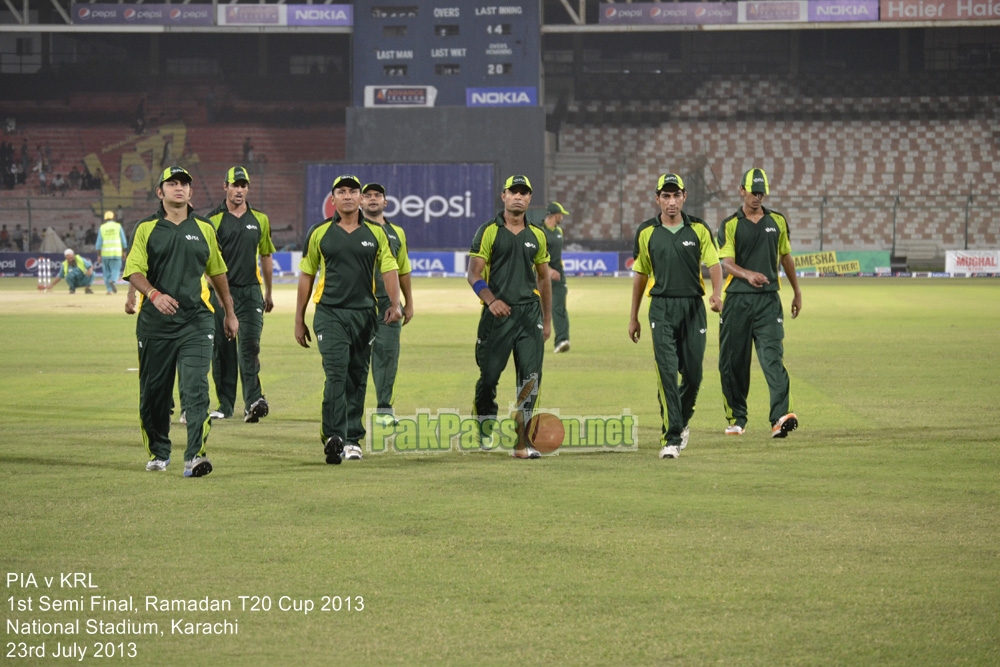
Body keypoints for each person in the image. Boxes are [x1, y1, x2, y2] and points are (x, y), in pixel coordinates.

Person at [123, 166, 239, 477]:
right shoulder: (146, 228)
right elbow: (134, 270)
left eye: (184, 184)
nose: (179, 188)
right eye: (171, 183)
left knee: (196, 387)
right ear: (160, 192)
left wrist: (229, 311)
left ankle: (195, 456)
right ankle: (159, 452)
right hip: (155, 325)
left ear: (191, 193)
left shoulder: (204, 228)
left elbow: (217, 273)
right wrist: (153, 295)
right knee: (154, 394)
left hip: (197, 321)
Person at [295, 175, 402, 465]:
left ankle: (352, 438)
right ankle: (333, 435)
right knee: (336, 372)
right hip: (329, 313)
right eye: (341, 191)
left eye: (353, 191)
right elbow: (307, 274)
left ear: (359, 198)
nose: (347, 196)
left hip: (365, 314)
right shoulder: (319, 233)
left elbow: (389, 268)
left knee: (356, 376)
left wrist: (395, 303)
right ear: (333, 199)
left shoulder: (377, 234)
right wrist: (299, 317)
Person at [629, 174, 723, 459]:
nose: (671, 201)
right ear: (657, 198)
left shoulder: (698, 228)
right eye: (666, 196)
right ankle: (671, 438)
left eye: (676, 195)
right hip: (661, 308)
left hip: (693, 308)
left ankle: (680, 421)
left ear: (684, 197)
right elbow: (641, 275)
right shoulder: (646, 232)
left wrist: (718, 294)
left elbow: (715, 263)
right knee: (667, 373)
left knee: (693, 376)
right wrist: (633, 317)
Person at [467, 174, 552, 459]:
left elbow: (543, 279)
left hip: (529, 315)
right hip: (497, 317)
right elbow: (474, 274)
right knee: (489, 378)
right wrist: (491, 301)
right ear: (503, 196)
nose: (518, 197)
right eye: (513, 192)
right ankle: (484, 425)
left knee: (530, 378)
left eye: (523, 193)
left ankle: (522, 443)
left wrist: (547, 319)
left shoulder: (538, 235)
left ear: (530, 199)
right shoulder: (488, 231)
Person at [716, 168, 802, 439]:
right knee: (733, 362)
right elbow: (726, 263)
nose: (757, 197)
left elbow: (786, 257)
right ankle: (737, 418)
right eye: (752, 191)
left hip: (768, 302)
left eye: (761, 192)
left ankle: (780, 417)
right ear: (741, 190)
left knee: (772, 358)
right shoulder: (730, 224)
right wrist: (748, 274)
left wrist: (797, 292)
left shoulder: (777, 221)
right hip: (737, 302)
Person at [206, 166, 275, 422]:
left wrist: (268, 292)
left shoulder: (260, 219)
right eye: (234, 185)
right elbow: (207, 263)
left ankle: (253, 401)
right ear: (225, 186)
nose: (239, 190)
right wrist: (218, 293)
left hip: (251, 293)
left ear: (248, 188)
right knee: (223, 350)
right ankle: (224, 405)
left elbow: (266, 255)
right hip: (221, 293)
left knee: (250, 345)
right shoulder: (211, 220)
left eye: (243, 185)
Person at [357, 182, 414, 427]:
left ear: (385, 202)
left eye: (377, 195)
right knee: (356, 360)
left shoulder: (397, 233)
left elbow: (403, 269)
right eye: (367, 195)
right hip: (357, 305)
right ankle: (350, 409)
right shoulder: (352, 229)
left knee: (388, 357)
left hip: (388, 305)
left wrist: (408, 303)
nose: (372, 199)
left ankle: (384, 409)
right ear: (360, 201)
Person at [540, 201, 571, 353]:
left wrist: (556, 269)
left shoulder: (559, 231)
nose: (562, 218)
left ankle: (562, 340)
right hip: (541, 277)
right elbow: (536, 257)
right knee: (536, 309)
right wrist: (549, 270)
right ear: (554, 215)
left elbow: (556, 255)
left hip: (559, 277)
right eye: (561, 215)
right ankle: (532, 341)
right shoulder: (539, 232)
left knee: (559, 308)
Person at [95, 210, 127, 294]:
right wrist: (124, 252)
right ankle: (113, 280)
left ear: (105, 219)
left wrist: (99, 255)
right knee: (115, 270)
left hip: (105, 254)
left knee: (106, 272)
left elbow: (98, 244)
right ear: (113, 217)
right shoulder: (118, 226)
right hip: (116, 253)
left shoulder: (102, 227)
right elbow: (123, 241)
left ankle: (109, 290)